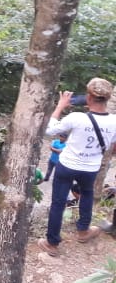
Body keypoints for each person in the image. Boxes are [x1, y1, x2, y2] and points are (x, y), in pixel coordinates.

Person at [40, 78, 116, 255]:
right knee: (87, 194)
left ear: (89, 97)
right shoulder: (114, 121)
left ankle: (52, 243)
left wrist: (60, 106)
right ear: (107, 99)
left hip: (67, 165)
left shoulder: (76, 117)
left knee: (58, 202)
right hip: (91, 167)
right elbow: (114, 146)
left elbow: (49, 131)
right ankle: (83, 231)